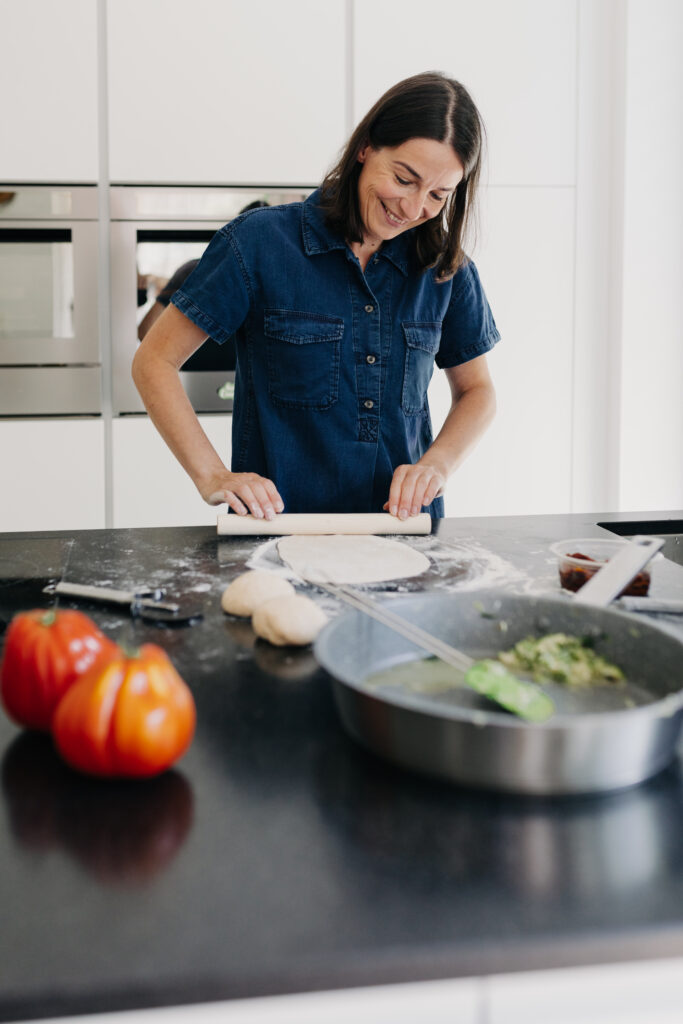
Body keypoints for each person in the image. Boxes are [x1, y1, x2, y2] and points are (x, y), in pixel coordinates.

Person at [132, 72, 499, 523]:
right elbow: (154, 360)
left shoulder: (446, 268)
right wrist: (211, 475)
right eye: (405, 179)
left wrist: (437, 464)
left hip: (404, 536)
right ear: (366, 148)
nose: (413, 208)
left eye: (438, 194)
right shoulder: (259, 243)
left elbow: (477, 391)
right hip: (277, 534)